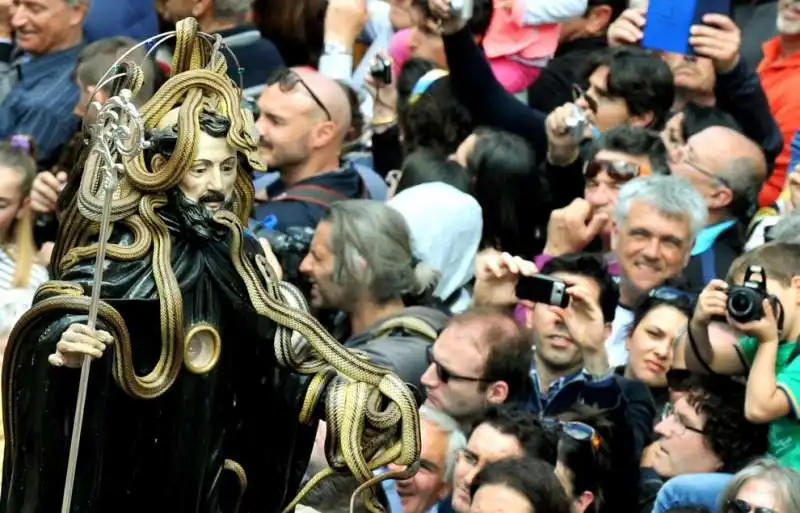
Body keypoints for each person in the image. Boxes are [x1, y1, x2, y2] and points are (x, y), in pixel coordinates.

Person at [1, 18, 420, 513]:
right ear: (164, 172)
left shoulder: (239, 261)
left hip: (212, 475)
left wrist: (347, 400)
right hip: (124, 472)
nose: (216, 185)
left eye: (226, 168)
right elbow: (54, 325)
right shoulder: (117, 256)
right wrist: (64, 346)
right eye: (199, 169)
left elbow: (279, 363)